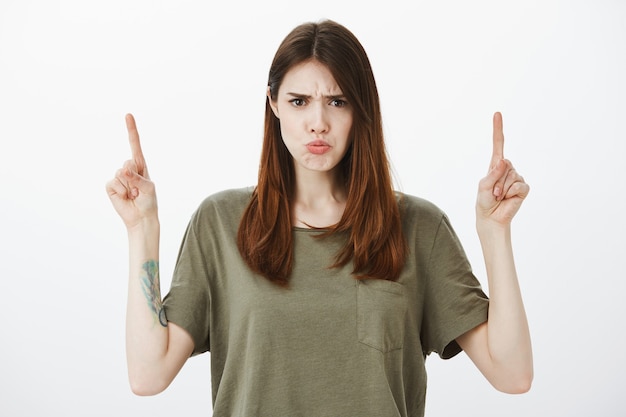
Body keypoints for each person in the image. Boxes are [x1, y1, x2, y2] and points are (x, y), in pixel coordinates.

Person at [106, 19, 532, 417]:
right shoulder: (220, 223)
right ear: (273, 105)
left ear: (360, 109)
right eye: (299, 101)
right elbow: (149, 375)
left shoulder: (418, 227)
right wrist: (142, 228)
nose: (318, 123)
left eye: (337, 101)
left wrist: (495, 233)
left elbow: (512, 374)